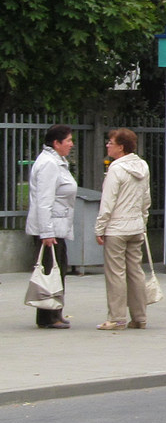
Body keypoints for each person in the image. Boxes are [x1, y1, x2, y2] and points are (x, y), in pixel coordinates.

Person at [95, 128, 152, 331]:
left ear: (121, 147)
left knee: (115, 273)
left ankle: (117, 318)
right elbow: (146, 199)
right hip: (136, 227)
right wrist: (142, 222)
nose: (107, 145)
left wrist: (100, 228)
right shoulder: (142, 166)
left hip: (117, 229)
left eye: (111, 142)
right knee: (136, 272)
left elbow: (108, 202)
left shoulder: (116, 169)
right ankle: (139, 317)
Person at [25, 123, 77, 329]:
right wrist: (46, 232)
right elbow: (43, 200)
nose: (71, 144)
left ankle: (54, 311)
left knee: (58, 269)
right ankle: (49, 316)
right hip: (50, 229)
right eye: (69, 141)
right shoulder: (49, 164)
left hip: (57, 226)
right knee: (51, 270)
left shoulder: (57, 161)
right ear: (56, 143)